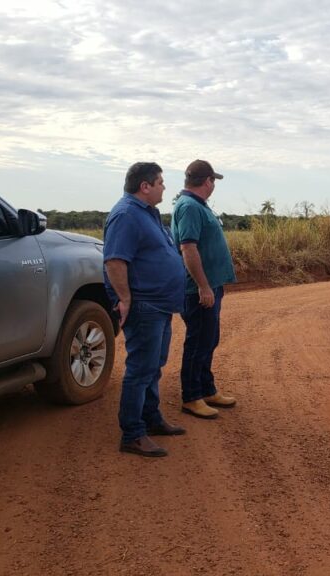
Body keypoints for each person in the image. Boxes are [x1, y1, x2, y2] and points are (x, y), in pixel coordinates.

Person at [103, 162, 187, 457]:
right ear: (145, 186)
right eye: (161, 182)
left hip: (160, 305)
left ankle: (151, 419)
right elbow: (115, 261)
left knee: (154, 367)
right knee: (140, 370)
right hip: (145, 306)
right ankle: (133, 434)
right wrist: (125, 299)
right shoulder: (126, 215)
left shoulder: (146, 213)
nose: (164, 187)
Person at [170, 160, 238, 419]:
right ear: (207, 181)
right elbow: (188, 248)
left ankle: (207, 389)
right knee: (198, 342)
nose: (213, 186)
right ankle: (191, 397)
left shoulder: (196, 205)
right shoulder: (188, 206)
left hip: (209, 287)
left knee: (209, 339)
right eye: (213, 181)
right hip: (198, 290)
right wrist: (203, 286)